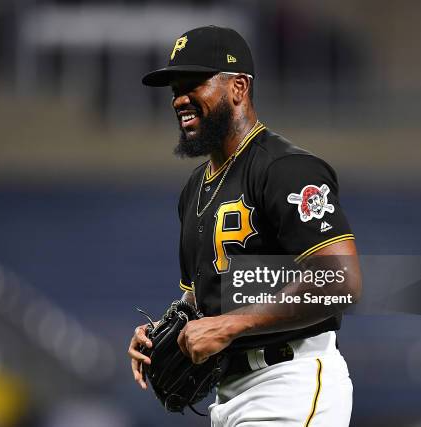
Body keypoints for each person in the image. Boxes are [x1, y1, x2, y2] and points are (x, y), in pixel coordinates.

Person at [128, 25, 362, 427]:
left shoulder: (285, 168)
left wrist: (229, 324)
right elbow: (202, 299)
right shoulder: (193, 191)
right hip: (231, 394)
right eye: (174, 89)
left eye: (193, 83)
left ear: (238, 87)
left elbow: (341, 280)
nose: (180, 99)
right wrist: (160, 331)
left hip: (291, 380)